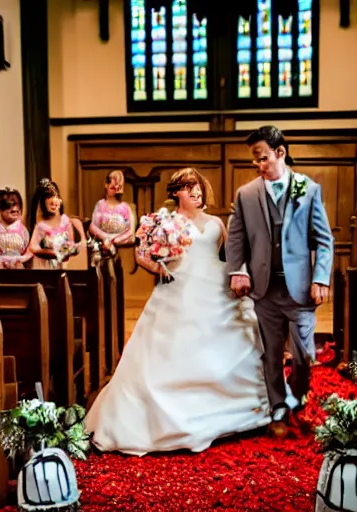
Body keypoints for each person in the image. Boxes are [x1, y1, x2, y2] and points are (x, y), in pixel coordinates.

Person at [86, 168, 270, 455]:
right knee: (171, 350)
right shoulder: (164, 222)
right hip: (178, 287)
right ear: (176, 193)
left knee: (227, 346)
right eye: (187, 187)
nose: (195, 191)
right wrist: (158, 268)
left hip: (215, 290)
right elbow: (141, 254)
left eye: (197, 186)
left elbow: (230, 256)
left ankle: (238, 410)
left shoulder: (216, 224)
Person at [226, 125, 334, 430]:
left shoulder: (308, 189)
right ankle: (277, 406)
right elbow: (236, 239)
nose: (259, 165)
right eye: (254, 161)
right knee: (271, 353)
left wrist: (321, 278)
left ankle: (297, 396)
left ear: (280, 153)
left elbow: (325, 239)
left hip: (300, 289)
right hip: (264, 289)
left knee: (303, 355)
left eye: (263, 158)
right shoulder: (246, 194)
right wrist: (237, 271)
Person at [28, 178, 82, 269]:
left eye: (56, 197)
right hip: (43, 268)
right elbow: (34, 248)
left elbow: (75, 245)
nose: (54, 201)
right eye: (49, 197)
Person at [0, 187, 32, 269]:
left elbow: (27, 254)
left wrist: (18, 261)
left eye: (17, 211)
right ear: (1, 210)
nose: (15, 213)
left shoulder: (23, 230)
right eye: (11, 211)